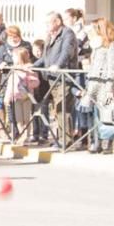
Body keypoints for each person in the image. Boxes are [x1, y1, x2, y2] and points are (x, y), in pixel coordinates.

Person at [33, 12, 78, 147]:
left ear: (57, 22)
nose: (46, 26)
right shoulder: (50, 36)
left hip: (64, 77)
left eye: (49, 22)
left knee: (63, 110)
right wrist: (32, 66)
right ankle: (60, 139)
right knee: (57, 111)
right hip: (52, 78)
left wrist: (57, 65)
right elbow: (45, 57)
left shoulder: (67, 34)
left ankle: (66, 141)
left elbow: (66, 53)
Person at [79, 20, 114, 154]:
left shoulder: (112, 46)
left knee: (107, 113)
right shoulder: (96, 45)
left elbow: (111, 66)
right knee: (92, 113)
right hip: (93, 82)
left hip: (105, 83)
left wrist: (109, 87)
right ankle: (95, 142)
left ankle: (108, 144)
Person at [5, 47, 39, 145]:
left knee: (27, 118)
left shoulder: (30, 68)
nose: (13, 58)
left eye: (15, 56)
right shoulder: (13, 69)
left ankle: (27, 136)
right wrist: (7, 97)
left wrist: (27, 80)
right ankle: (22, 135)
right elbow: (10, 84)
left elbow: (36, 82)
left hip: (27, 96)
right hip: (16, 97)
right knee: (19, 118)